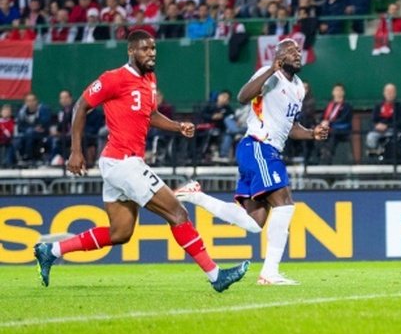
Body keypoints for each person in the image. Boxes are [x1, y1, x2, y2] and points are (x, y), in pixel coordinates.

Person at [33, 31, 249, 292]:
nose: (151, 53)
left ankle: (51, 250)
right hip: (123, 163)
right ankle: (216, 276)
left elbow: (150, 114)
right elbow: (80, 106)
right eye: (145, 49)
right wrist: (76, 151)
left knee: (120, 233)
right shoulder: (113, 79)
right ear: (131, 51)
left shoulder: (149, 79)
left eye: (154, 49)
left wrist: (177, 126)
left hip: (120, 164)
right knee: (178, 213)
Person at [175, 39, 329, 286]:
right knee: (285, 203)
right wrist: (270, 69)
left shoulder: (299, 88)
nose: (297, 54)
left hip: (262, 150)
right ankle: (270, 273)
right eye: (290, 51)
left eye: (299, 51)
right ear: (278, 56)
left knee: (254, 223)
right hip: (259, 145)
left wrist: (311, 133)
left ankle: (196, 196)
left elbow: (291, 127)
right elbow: (243, 96)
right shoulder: (269, 75)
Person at [366, 83, 401, 160]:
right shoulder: (378, 106)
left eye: (392, 92)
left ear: (395, 93)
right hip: (378, 130)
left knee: (392, 139)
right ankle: (376, 155)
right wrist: (377, 125)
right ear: (384, 93)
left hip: (392, 130)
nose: (390, 94)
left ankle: (386, 155)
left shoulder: (399, 106)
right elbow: (373, 120)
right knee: (370, 137)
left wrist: (387, 126)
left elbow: (400, 121)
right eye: (388, 92)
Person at [321, 83, 354, 163]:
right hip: (327, 128)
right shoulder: (329, 105)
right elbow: (323, 117)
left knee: (332, 133)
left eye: (340, 90)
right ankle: (318, 155)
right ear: (333, 92)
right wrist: (322, 122)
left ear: (343, 93)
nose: (338, 92)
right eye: (336, 90)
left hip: (341, 130)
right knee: (316, 133)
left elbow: (344, 119)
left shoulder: (347, 106)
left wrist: (329, 123)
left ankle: (328, 156)